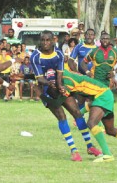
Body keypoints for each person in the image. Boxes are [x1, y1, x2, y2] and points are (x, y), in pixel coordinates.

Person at [47, 69, 117, 162]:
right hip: (104, 94)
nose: (54, 85)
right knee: (110, 130)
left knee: (91, 123)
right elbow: (91, 104)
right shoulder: (65, 74)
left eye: (53, 83)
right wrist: (80, 113)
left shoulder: (67, 82)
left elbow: (61, 99)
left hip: (102, 96)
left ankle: (107, 154)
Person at [30, 30, 101, 161]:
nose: (45, 43)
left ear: (53, 40)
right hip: (46, 90)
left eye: (48, 40)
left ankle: (90, 146)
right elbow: (40, 78)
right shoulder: (35, 56)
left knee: (77, 113)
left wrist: (60, 86)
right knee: (62, 117)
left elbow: (60, 73)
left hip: (60, 85)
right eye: (43, 40)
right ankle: (74, 150)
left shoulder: (58, 53)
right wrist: (50, 85)